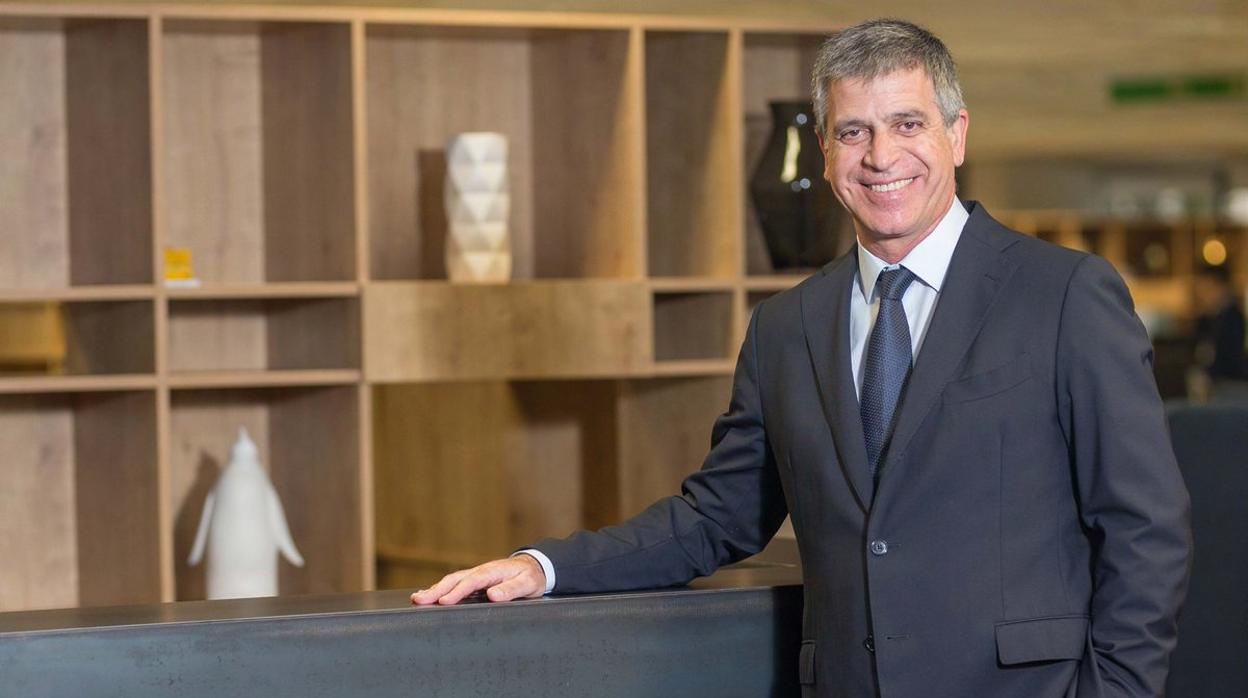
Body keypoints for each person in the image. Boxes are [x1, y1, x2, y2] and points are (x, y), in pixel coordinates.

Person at [413, 19, 1192, 698]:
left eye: (908, 124)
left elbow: (1145, 529)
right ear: (825, 151)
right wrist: (545, 567)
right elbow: (716, 516)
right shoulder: (786, 327)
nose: (881, 155)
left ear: (957, 135)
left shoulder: (1064, 295)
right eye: (854, 132)